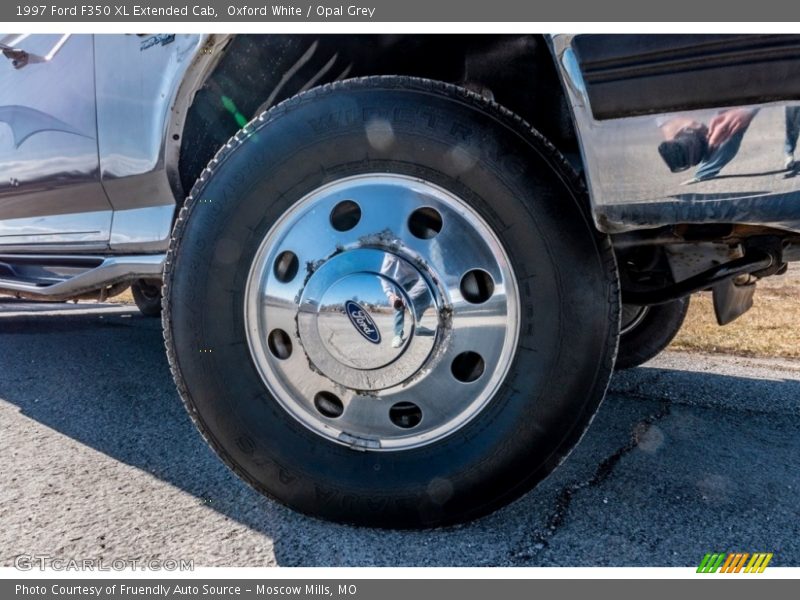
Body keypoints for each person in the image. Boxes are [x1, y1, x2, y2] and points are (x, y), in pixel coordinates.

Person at [379, 254, 431, 348]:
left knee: (427, 299)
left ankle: (417, 326)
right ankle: (397, 334)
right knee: (399, 307)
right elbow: (384, 275)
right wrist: (390, 294)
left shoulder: (419, 252)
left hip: (416, 279)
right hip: (399, 281)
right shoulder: (392, 249)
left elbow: (427, 277)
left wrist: (409, 296)